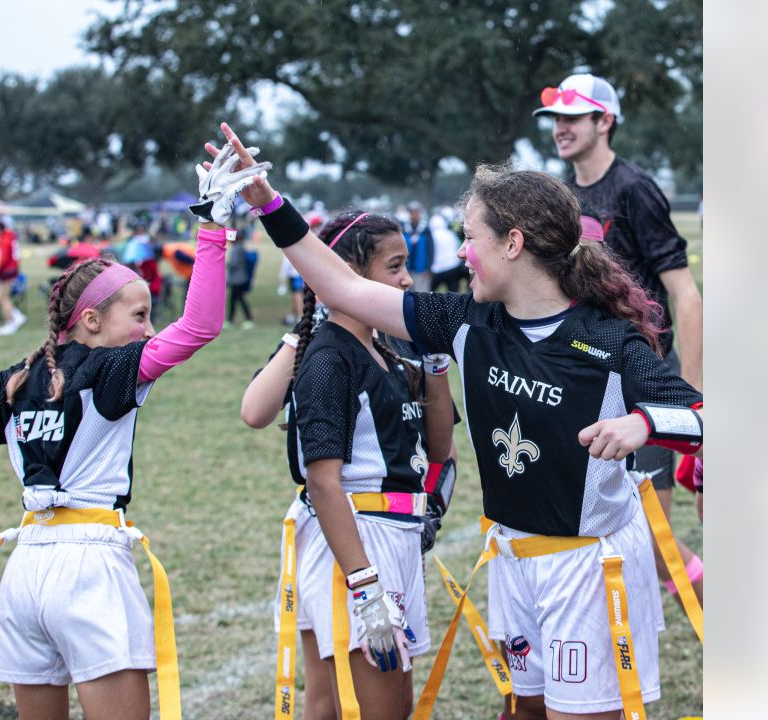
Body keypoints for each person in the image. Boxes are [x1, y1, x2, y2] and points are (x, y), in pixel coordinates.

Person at [206, 123, 702, 720]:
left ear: (512, 243)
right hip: (515, 560)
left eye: (471, 238)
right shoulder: (467, 321)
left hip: (587, 566)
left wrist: (644, 425)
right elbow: (338, 283)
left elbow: (700, 413)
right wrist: (268, 203)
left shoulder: (607, 340)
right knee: (523, 711)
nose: (460, 251)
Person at [0, 143, 265, 720]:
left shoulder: (15, 381)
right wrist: (211, 227)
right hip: (88, 567)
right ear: (90, 321)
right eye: (139, 316)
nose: (149, 328)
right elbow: (201, 325)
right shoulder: (109, 369)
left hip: (23, 570)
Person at [239, 210, 454, 720]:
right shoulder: (328, 355)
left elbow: (440, 449)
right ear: (347, 271)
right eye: (394, 266)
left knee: (345, 706)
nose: (407, 279)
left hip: (389, 533)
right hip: (356, 537)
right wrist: (364, 583)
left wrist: (436, 362)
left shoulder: (390, 346)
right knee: (373, 708)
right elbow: (320, 477)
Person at [534, 72, 705, 605]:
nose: (561, 129)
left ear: (604, 122)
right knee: (603, 531)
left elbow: (688, 297)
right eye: (555, 119)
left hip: (644, 376)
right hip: (586, 377)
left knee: (656, 544)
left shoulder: (634, 190)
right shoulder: (559, 194)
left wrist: (688, 405)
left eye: (572, 118)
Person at [0, 217, 27, 335]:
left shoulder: (5, 238)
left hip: (7, 270)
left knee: (3, 297)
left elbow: (4, 259)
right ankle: (17, 316)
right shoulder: (10, 235)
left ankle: (11, 323)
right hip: (11, 269)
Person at [428, 212, 467, 293]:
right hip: (453, 266)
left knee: (431, 293)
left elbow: (430, 252)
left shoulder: (432, 235)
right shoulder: (450, 234)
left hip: (437, 268)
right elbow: (457, 247)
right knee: (454, 292)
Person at [226, 228, 255, 329]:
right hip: (239, 279)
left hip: (237, 280)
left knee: (239, 300)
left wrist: (225, 265)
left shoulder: (237, 249)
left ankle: (249, 319)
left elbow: (233, 264)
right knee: (234, 300)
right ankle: (230, 320)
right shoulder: (241, 247)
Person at [402, 203, 434, 292]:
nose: (414, 215)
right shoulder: (405, 228)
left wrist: (429, 267)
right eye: (412, 212)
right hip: (407, 267)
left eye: (416, 212)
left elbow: (431, 249)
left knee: (421, 292)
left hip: (421, 268)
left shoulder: (425, 229)